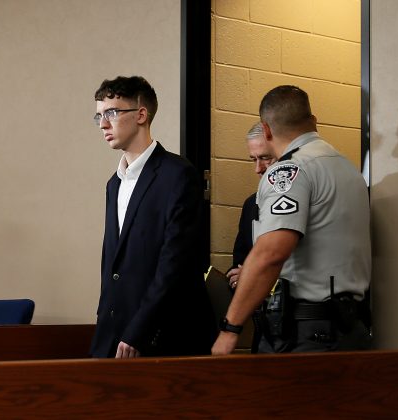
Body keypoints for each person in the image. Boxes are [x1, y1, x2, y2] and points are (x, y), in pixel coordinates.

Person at [212, 85, 371, 355]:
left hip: (306, 334)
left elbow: (271, 253)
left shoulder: (290, 170)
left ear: (267, 130)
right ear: (313, 121)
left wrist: (230, 329)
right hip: (349, 327)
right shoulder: (347, 168)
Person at [90, 75, 216, 358]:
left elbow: (175, 263)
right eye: (99, 116)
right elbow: (113, 264)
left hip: (163, 334)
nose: (103, 124)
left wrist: (140, 330)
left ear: (141, 115)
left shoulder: (178, 175)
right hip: (115, 334)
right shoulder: (114, 183)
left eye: (111, 113)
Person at [225, 122, 276, 353]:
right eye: (253, 160)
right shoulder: (251, 205)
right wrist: (237, 278)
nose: (258, 168)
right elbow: (238, 264)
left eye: (265, 158)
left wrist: (252, 274)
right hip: (261, 325)